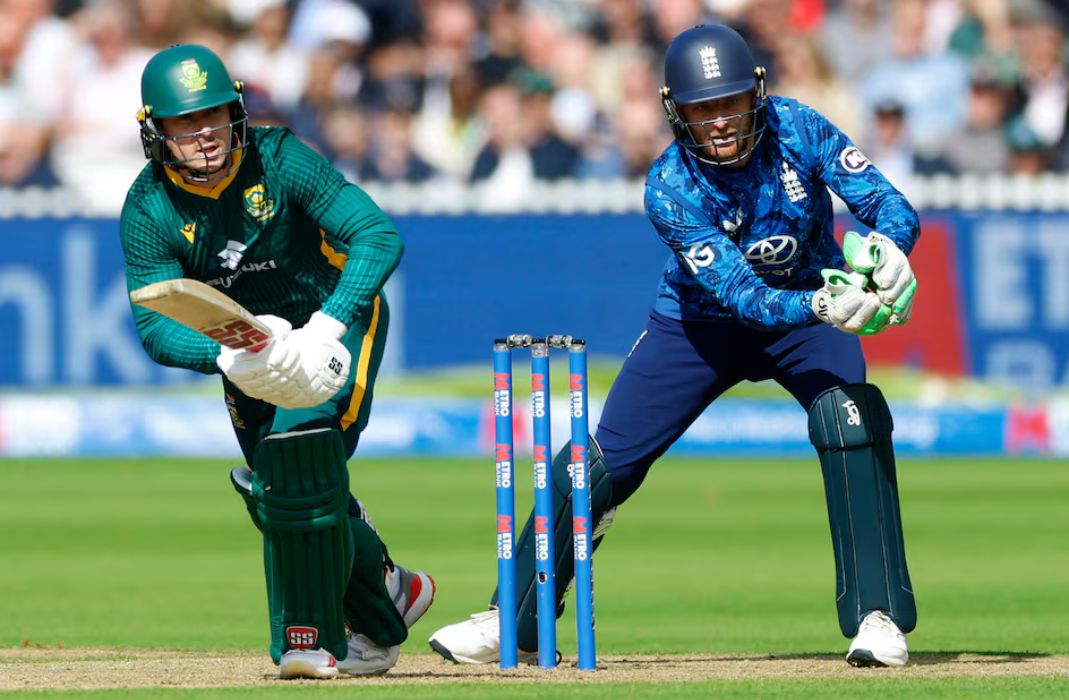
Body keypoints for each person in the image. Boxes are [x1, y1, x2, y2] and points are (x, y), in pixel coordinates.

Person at [428, 23, 920, 668]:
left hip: (806, 326)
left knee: (849, 421)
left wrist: (888, 252)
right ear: (674, 110)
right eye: (701, 108)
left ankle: (877, 618)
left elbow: (889, 204)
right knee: (599, 463)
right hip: (700, 325)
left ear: (758, 96)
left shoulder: (800, 127)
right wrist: (826, 304)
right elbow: (744, 297)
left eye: (730, 103)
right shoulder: (669, 186)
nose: (718, 122)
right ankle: (513, 615)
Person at [120, 44, 435, 680]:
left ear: (236, 111)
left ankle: (307, 642)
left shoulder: (280, 157)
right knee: (279, 489)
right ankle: (388, 594)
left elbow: (377, 235)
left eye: (213, 115)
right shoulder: (148, 207)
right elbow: (153, 326)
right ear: (156, 130)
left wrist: (325, 327)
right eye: (184, 123)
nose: (203, 135)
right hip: (247, 348)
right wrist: (224, 357)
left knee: (298, 461)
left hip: (332, 322)